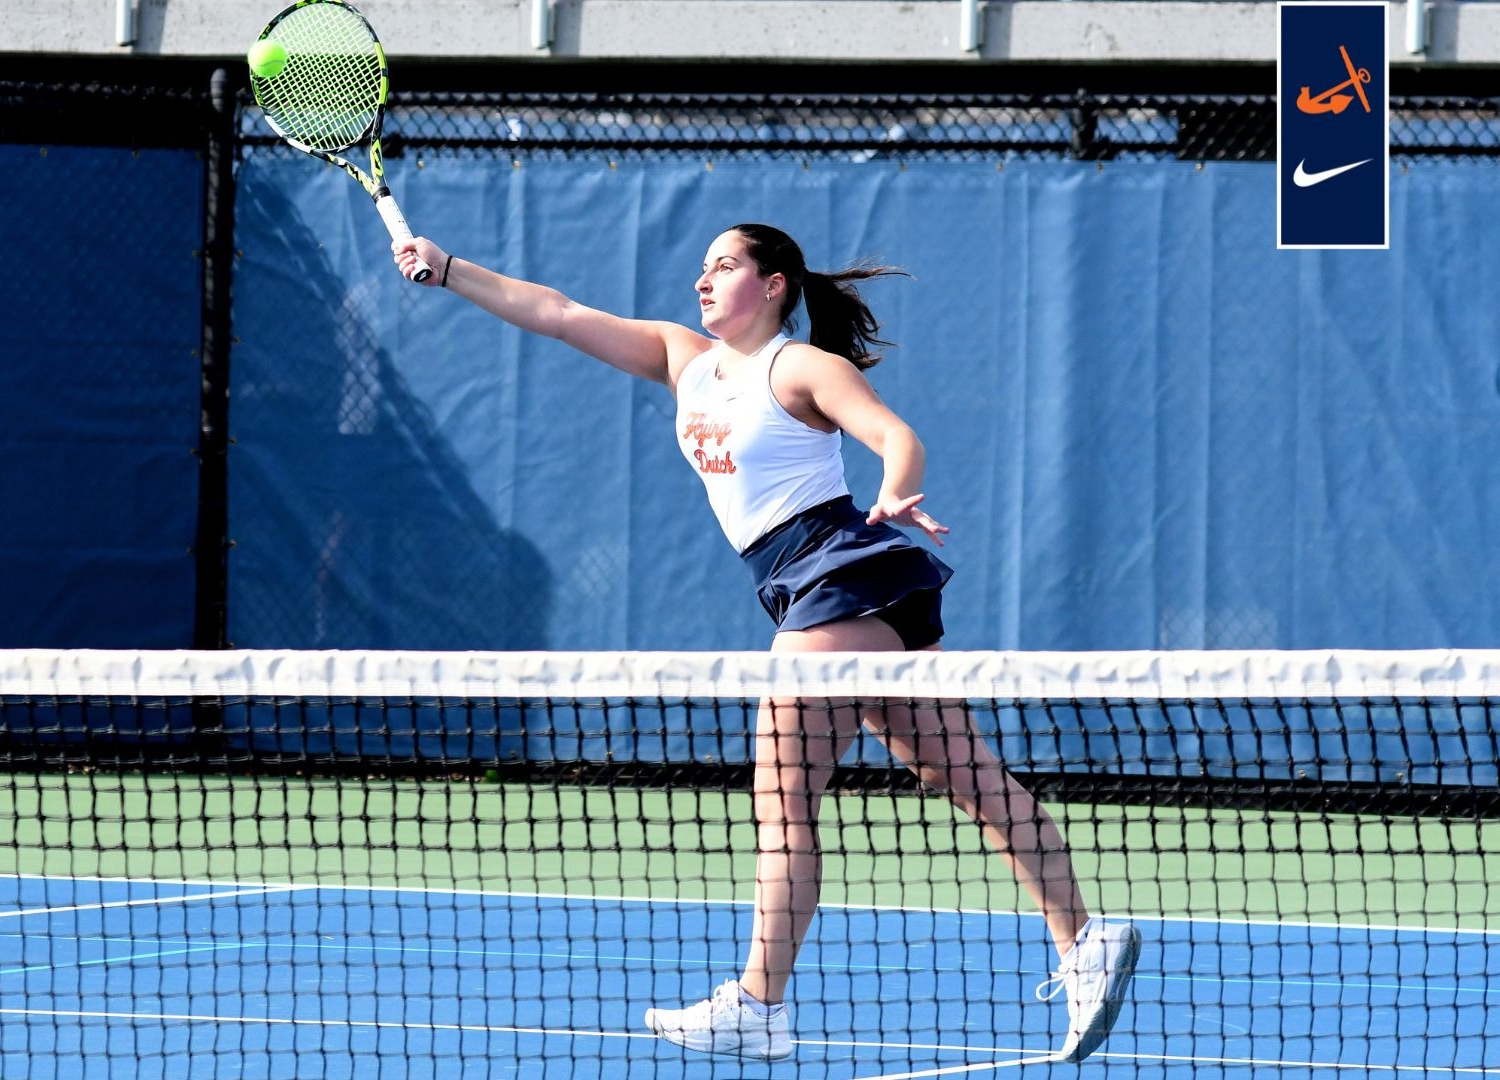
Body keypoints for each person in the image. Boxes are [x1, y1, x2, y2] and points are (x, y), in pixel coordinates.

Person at [391, 223, 1140, 1063]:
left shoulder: (801, 366)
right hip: (818, 584)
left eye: (725, 265)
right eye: (702, 266)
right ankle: (1085, 940)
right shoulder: (684, 359)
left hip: (837, 570)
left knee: (785, 799)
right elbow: (558, 312)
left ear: (775, 284)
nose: (704, 279)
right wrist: (450, 269)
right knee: (962, 774)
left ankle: (757, 1003)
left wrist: (895, 490)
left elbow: (896, 436)